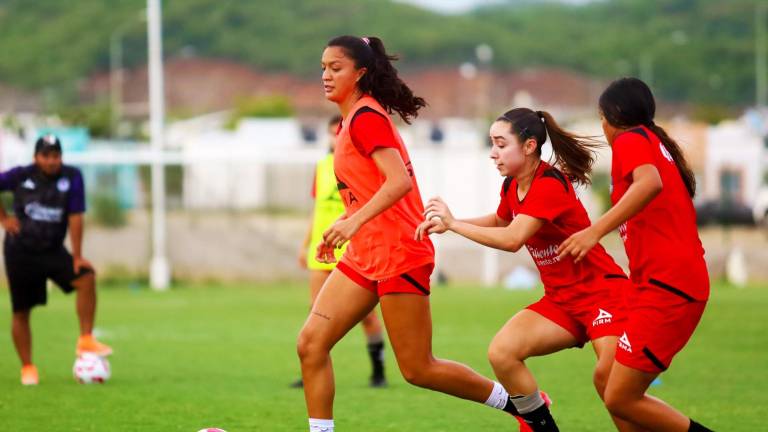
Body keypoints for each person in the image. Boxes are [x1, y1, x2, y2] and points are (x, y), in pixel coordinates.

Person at [297, 35, 537, 432]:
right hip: (365, 253)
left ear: (360, 73)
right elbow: (364, 190)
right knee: (311, 344)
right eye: (322, 67)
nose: (325, 75)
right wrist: (342, 227)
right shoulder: (347, 121)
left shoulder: (367, 118)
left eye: (335, 68)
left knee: (418, 369)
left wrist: (352, 222)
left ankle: (524, 408)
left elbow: (398, 184)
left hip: (400, 252)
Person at [418, 107, 633, 431]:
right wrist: (451, 223)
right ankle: (542, 427)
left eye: (501, 144)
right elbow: (500, 221)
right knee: (502, 352)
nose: (493, 153)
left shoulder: (548, 184)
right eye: (492, 144)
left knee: (610, 382)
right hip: (562, 302)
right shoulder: (512, 185)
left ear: (529, 146)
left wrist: (454, 225)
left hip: (603, 294)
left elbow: (512, 238)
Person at [557, 77, 713, 432]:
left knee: (620, 397)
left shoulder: (631, 139)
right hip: (654, 286)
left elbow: (649, 183)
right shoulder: (651, 142)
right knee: (606, 376)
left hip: (669, 287)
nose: (602, 126)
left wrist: (594, 231)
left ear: (613, 117)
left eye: (601, 118)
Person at [0, 134, 112, 386]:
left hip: (52, 250)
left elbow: (75, 215)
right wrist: (4, 219)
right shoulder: (21, 175)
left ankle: (85, 338)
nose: (52, 161)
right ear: (36, 157)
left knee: (86, 278)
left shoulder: (72, 177)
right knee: (21, 311)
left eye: (56, 156)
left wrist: (78, 255)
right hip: (21, 251)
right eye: (46, 156)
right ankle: (28, 367)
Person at [293, 115, 386, 389]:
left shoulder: (358, 166)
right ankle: (311, 367)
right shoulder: (322, 167)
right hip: (321, 249)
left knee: (365, 316)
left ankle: (378, 370)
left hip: (352, 247)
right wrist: (305, 243)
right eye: (333, 133)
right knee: (315, 313)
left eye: (340, 133)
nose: (337, 138)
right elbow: (316, 209)